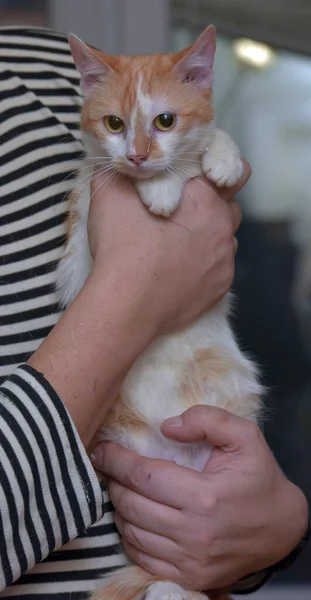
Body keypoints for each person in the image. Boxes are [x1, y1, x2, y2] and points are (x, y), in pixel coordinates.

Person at [0, 26, 308, 599]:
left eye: (160, 124)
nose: (137, 151)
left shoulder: (52, 65)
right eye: (116, 126)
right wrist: (133, 292)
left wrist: (277, 526)